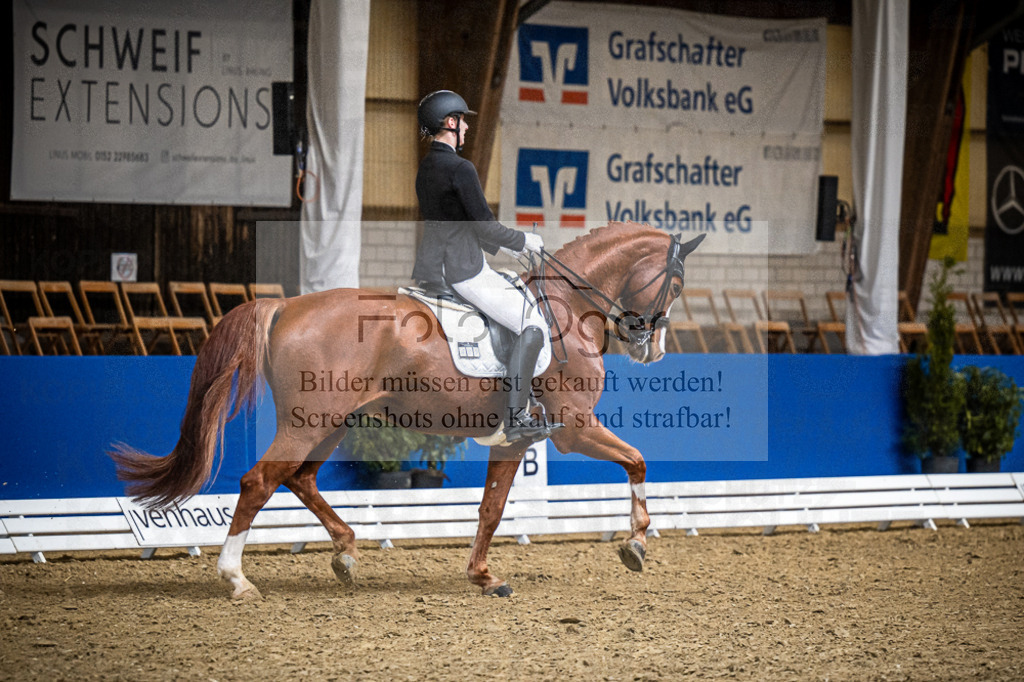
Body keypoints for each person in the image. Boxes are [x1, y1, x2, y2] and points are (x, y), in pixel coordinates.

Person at [412, 89, 562, 445]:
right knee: (533, 325)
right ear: (451, 123)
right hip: (462, 270)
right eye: (462, 120)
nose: (465, 127)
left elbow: (455, 221)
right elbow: (483, 225)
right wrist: (526, 241)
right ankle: (516, 418)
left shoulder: (427, 166)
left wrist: (498, 246)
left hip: (435, 266)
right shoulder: (460, 168)